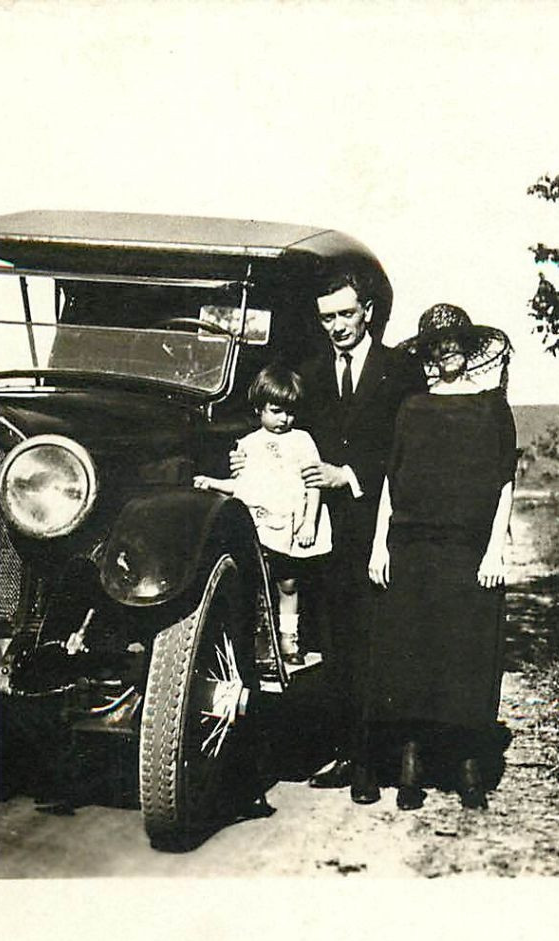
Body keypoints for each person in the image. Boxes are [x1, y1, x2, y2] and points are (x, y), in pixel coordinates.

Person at [277, 266, 425, 803]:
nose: (337, 326)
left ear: (368, 312)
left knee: (378, 642)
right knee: (335, 642)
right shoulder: (311, 373)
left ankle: (377, 760)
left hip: (381, 526)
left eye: (345, 314)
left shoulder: (400, 371)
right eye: (327, 318)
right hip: (323, 531)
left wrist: (352, 476)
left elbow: (408, 449)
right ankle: (349, 752)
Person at [366, 304, 516, 811]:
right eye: (436, 344)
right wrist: (378, 546)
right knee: (412, 655)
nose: (445, 350)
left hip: (469, 549)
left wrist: (497, 547)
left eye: (454, 341)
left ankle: (467, 765)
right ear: (427, 352)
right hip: (411, 546)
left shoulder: (492, 406)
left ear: (468, 347)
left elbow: (505, 482)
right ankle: (411, 763)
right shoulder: (410, 407)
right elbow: (391, 476)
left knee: (465, 656)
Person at [195, 364, 331, 661]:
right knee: (256, 581)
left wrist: (310, 521)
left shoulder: (302, 440)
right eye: (276, 410)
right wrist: (212, 482)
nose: (284, 419)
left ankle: (288, 638)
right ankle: (257, 641)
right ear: (259, 409)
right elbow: (243, 486)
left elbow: (314, 484)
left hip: (291, 524)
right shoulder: (247, 444)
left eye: (290, 412)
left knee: (289, 581)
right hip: (260, 524)